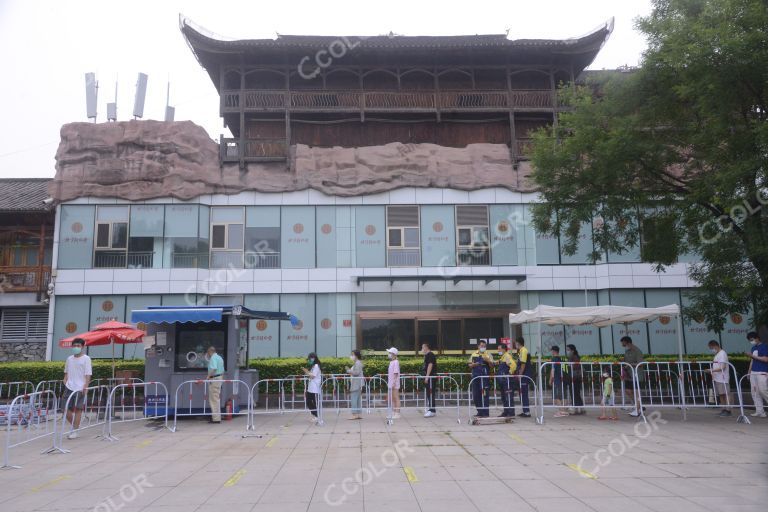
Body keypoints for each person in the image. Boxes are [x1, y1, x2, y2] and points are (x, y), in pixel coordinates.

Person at [63, 338, 92, 439]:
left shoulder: (86, 358)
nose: (76, 348)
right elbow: (66, 372)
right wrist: (65, 379)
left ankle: (75, 431)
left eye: (78, 346)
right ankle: (76, 427)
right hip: (69, 386)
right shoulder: (69, 358)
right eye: (74, 346)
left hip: (80, 387)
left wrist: (86, 386)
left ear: (82, 347)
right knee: (64, 409)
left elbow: (88, 374)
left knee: (78, 409)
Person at [468, 340, 493, 418]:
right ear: (478, 346)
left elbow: (492, 365)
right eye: (482, 346)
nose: (483, 347)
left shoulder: (488, 354)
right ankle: (480, 411)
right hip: (475, 377)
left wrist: (488, 360)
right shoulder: (474, 354)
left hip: (484, 377)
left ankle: (485, 413)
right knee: (476, 395)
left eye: (484, 346)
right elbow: (469, 365)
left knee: (485, 395)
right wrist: (474, 364)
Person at [620, 336, 644, 417]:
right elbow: (626, 361)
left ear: (627, 342)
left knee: (637, 392)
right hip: (629, 375)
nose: (622, 344)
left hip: (637, 374)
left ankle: (638, 410)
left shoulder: (637, 351)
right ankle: (638, 406)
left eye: (623, 342)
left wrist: (630, 364)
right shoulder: (627, 351)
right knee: (628, 390)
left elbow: (640, 363)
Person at [707, 340, 731, 417]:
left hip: (723, 378)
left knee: (726, 394)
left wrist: (711, 370)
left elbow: (723, 367)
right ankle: (723, 409)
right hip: (717, 378)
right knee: (721, 394)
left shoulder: (722, 354)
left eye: (711, 348)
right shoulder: (717, 354)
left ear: (715, 346)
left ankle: (728, 410)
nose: (711, 350)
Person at [746, 332, 768, 418]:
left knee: (763, 390)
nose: (751, 341)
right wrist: (749, 371)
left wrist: (753, 356)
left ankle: (760, 411)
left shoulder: (764, 346)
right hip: (753, 372)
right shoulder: (753, 348)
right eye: (750, 340)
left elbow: (766, 359)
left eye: (752, 340)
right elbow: (752, 361)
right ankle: (760, 411)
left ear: (757, 338)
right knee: (755, 392)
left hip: (762, 372)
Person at [495, 342, 517, 417]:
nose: (498, 350)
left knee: (508, 396)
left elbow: (513, 365)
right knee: (504, 397)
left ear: (504, 349)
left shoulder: (507, 356)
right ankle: (506, 411)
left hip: (507, 381)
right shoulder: (503, 357)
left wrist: (509, 374)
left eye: (499, 349)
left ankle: (510, 413)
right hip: (503, 381)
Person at [206, 345, 225, 423]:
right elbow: (222, 370)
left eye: (208, 353)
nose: (208, 355)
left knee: (213, 399)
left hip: (214, 378)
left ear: (210, 352)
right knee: (216, 398)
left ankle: (216, 418)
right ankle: (216, 417)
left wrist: (208, 376)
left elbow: (214, 368)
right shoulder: (220, 358)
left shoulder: (213, 358)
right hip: (219, 378)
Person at [514, 337, 532, 418]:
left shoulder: (524, 350)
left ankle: (527, 412)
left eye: (515, 343)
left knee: (524, 393)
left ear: (518, 343)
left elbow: (523, 364)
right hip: (522, 375)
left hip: (524, 375)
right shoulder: (520, 351)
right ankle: (524, 410)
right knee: (521, 393)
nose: (514, 345)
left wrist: (520, 374)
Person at [302, 352, 322, 422]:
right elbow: (311, 374)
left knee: (313, 402)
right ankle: (315, 415)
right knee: (309, 401)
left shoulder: (316, 366)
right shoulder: (314, 366)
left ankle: (317, 416)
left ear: (313, 358)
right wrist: (307, 372)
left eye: (310, 359)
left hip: (315, 388)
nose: (309, 361)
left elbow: (313, 375)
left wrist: (306, 372)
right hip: (311, 387)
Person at [549, 346, 569, 417]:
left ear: (554, 351)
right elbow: (566, 369)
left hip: (557, 379)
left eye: (551, 351)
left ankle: (561, 411)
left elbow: (553, 370)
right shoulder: (562, 359)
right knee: (564, 395)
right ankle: (565, 411)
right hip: (564, 379)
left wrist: (550, 379)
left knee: (557, 396)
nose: (551, 352)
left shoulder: (554, 359)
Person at [566, 344, 585, 415]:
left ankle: (576, 408)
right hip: (573, 377)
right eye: (567, 350)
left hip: (575, 378)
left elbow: (576, 367)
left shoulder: (575, 357)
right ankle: (580, 408)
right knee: (575, 393)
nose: (567, 351)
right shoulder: (572, 357)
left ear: (572, 350)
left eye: (568, 350)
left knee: (574, 393)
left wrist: (570, 365)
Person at [346, 350, 364, 420]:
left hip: (356, 384)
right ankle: (358, 414)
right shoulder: (357, 363)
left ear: (356, 355)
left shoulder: (358, 363)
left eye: (353, 355)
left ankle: (354, 414)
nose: (351, 356)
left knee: (354, 399)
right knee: (357, 399)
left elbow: (356, 373)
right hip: (358, 384)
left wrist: (349, 371)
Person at [421, 343, 437, 418]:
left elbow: (430, 365)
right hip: (429, 377)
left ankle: (432, 410)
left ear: (426, 347)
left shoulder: (430, 355)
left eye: (423, 347)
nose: (422, 349)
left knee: (430, 393)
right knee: (428, 393)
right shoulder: (427, 355)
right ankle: (430, 409)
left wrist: (427, 377)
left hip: (431, 377)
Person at [386, 347, 401, 419]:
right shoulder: (391, 362)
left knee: (396, 398)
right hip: (391, 383)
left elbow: (396, 373)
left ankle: (397, 413)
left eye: (390, 353)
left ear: (394, 354)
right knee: (392, 398)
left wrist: (393, 383)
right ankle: (394, 412)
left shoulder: (396, 362)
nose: (389, 354)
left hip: (394, 384)